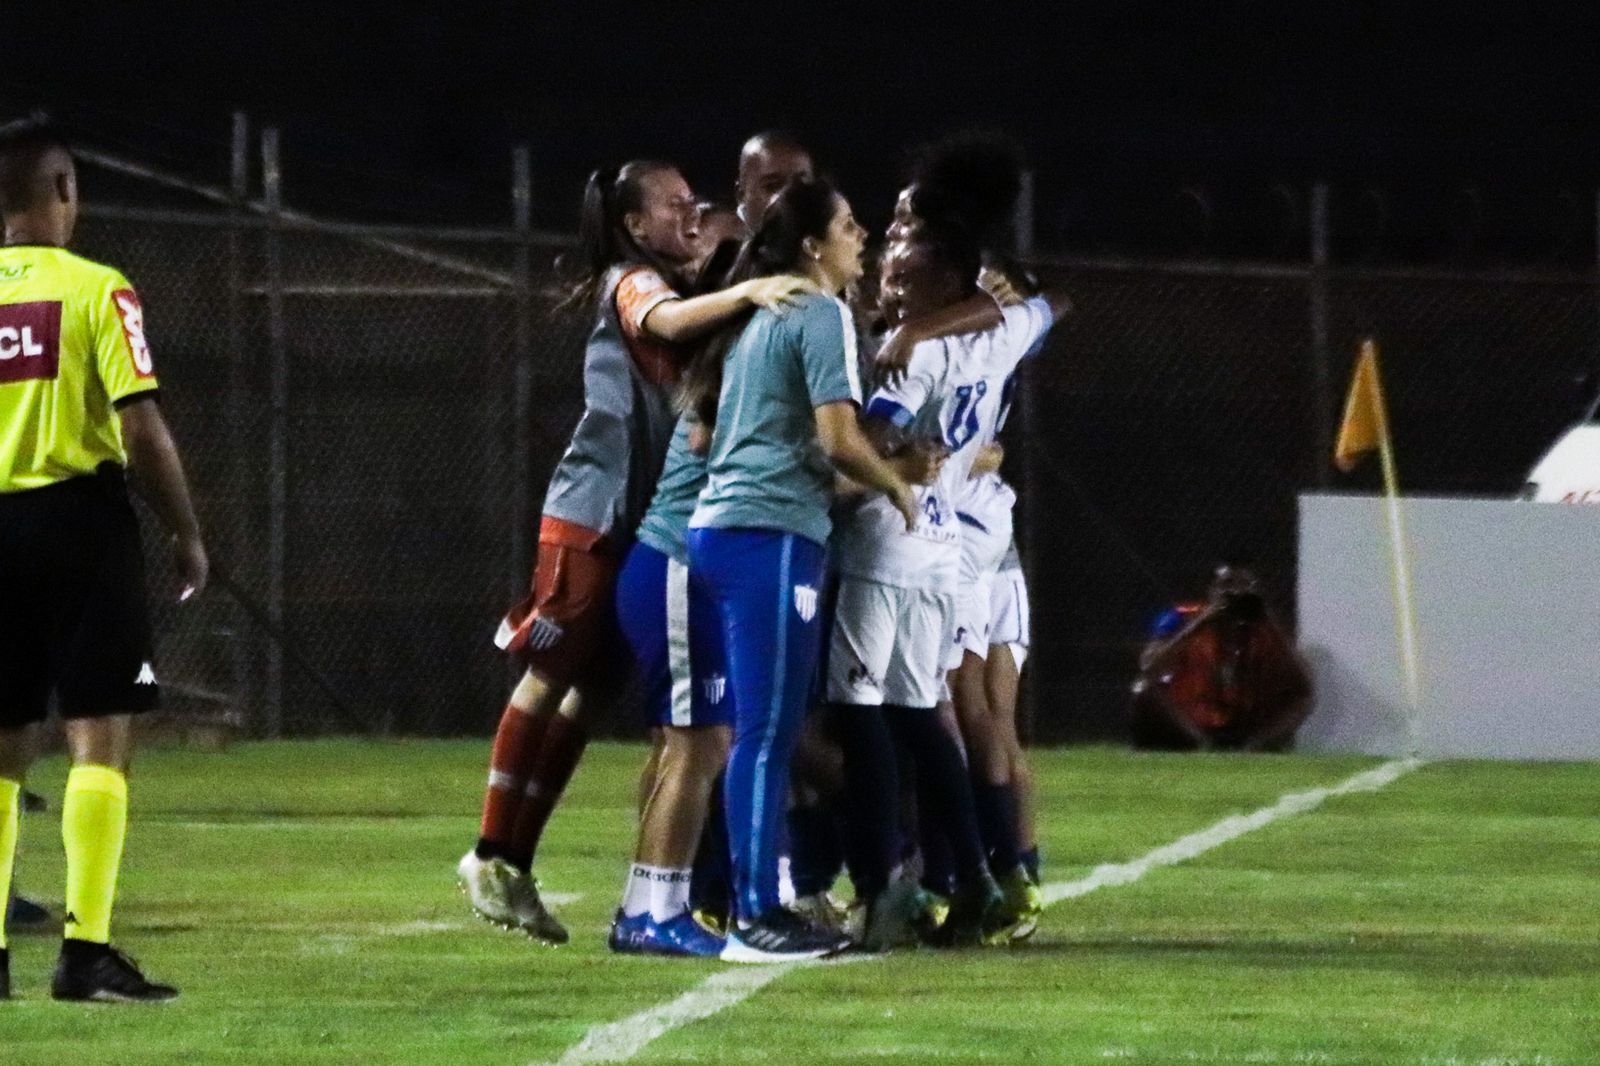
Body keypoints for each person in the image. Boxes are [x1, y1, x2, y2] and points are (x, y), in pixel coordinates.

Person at [459, 160, 812, 944]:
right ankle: (491, 851)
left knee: (596, 687)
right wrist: (751, 289)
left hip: (642, 526)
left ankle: (523, 862)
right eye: (676, 205)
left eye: (696, 204)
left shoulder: (689, 290)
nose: (692, 215)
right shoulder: (632, 282)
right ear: (634, 226)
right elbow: (666, 327)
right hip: (592, 513)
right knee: (548, 674)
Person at [0, 114, 209, 1003]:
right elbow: (139, 424)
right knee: (100, 735)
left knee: (3, 748)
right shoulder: (98, 289)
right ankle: (85, 952)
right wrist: (185, 529)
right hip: (79, 525)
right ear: (62, 192)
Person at [685, 176, 919, 962]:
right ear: (815, 246)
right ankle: (755, 915)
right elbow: (835, 440)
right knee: (768, 733)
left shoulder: (768, 313)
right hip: (768, 538)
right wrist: (895, 483)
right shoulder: (818, 312)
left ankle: (751, 901)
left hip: (737, 531)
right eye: (852, 226)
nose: (867, 238)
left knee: (764, 731)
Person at [828, 231, 1068, 948]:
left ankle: (906, 885)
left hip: (906, 541)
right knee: (932, 714)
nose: (891, 256)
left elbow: (865, 442)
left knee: (883, 713)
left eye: (910, 245)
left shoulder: (914, 354)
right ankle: (974, 878)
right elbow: (1052, 305)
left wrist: (864, 454)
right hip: (945, 543)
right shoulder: (989, 336)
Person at [1130, 565, 1313, 752]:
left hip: (1242, 720)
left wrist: (1266, 618)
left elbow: (1303, 684)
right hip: (1190, 722)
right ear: (1212, 590)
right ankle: (1200, 745)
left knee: (1301, 698)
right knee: (1143, 688)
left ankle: (1253, 748)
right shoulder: (1182, 616)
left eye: (1243, 587)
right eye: (1227, 585)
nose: (1234, 593)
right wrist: (1202, 622)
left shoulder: (1263, 628)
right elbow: (1149, 666)